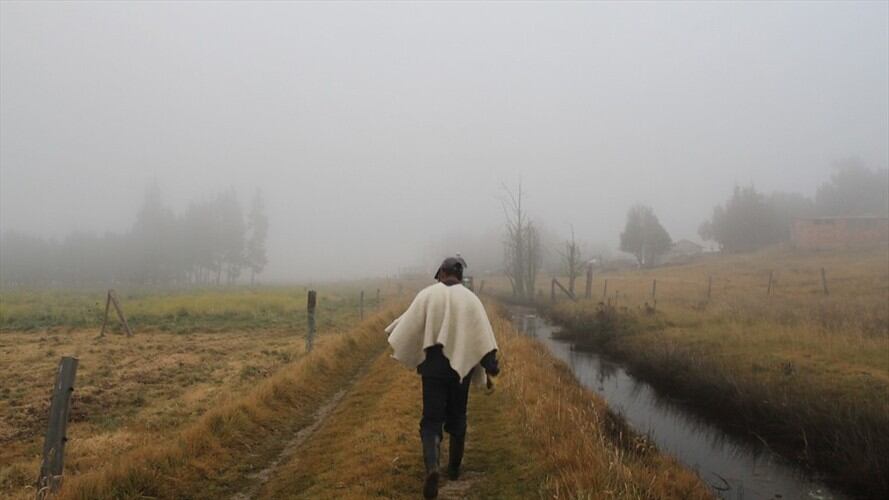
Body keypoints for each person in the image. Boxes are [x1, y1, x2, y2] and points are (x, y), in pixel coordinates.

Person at [385, 256, 500, 499]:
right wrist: (491, 365)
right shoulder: (471, 299)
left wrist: (396, 332)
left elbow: (409, 323)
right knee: (458, 417)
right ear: (459, 275)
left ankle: (432, 468)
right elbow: (483, 336)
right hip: (462, 371)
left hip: (432, 369)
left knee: (431, 420)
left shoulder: (426, 295)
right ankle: (454, 470)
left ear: (442, 272)